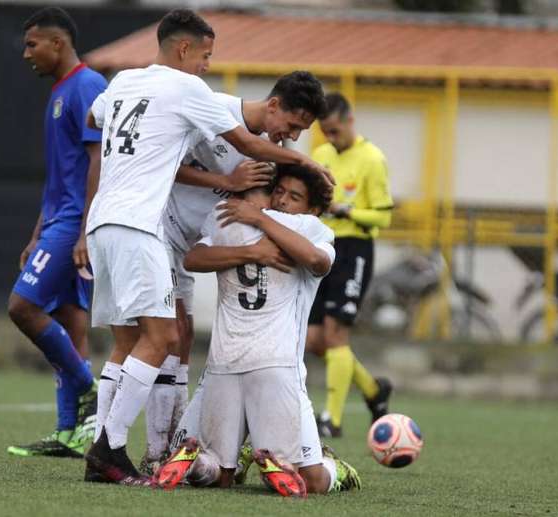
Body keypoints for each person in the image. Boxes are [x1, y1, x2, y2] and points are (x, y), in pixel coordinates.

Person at [81, 8, 332, 485]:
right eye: (206, 54)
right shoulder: (196, 96)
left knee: (149, 341)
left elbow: (99, 117)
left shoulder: (123, 83)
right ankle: (108, 449)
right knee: (163, 339)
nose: (208, 65)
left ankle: (145, 449)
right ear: (184, 48)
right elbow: (247, 147)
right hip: (147, 228)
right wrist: (300, 168)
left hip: (108, 224)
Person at [139, 70, 327, 473]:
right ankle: (143, 448)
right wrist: (226, 185)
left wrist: (259, 224)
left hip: (274, 359)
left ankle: (175, 444)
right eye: (292, 126)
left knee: (181, 336)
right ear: (274, 105)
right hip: (165, 235)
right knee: (165, 336)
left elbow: (316, 259)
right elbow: (162, 164)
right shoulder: (216, 113)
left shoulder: (293, 213)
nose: (292, 137)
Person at [156, 165, 361, 497]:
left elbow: (316, 261)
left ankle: (331, 468)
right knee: (292, 481)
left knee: (245, 477)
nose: (282, 200)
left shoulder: (284, 226)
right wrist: (254, 246)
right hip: (249, 365)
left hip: (255, 365)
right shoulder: (294, 226)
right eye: (279, 191)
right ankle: (296, 463)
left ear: (311, 209)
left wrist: (258, 219)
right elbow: (194, 258)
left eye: (294, 197)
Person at [5, 7, 104, 458]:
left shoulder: (87, 86)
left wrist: (83, 230)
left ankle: (91, 391)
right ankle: (70, 433)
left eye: (32, 44)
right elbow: (60, 175)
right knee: (69, 322)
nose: (26, 54)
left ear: (57, 44)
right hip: (58, 220)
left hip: (73, 225)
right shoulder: (61, 92)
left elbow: (98, 161)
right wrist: (34, 233)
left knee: (22, 307)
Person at [307, 92, 394, 438]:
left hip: (355, 248)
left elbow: (384, 218)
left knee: (336, 334)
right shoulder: (320, 155)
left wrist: (349, 211)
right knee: (314, 340)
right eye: (325, 132)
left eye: (335, 130)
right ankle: (374, 391)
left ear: (349, 121)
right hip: (322, 246)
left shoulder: (372, 159)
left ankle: (332, 419)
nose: (331, 138)